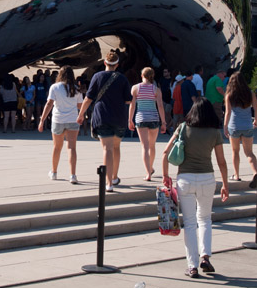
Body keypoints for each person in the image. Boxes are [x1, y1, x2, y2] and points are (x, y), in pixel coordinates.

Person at [161, 98, 228, 278]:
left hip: (185, 179)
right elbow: (221, 162)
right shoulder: (214, 133)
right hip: (207, 178)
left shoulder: (183, 128)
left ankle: (192, 265)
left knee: (190, 223)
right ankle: (205, 256)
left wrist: (165, 175)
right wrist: (225, 185)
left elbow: (165, 152)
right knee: (205, 219)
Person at [76, 49, 132, 192]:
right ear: (117, 64)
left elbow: (88, 98)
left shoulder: (97, 76)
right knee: (116, 147)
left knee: (107, 149)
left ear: (105, 62)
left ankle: (108, 183)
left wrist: (81, 114)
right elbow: (128, 100)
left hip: (102, 116)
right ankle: (114, 176)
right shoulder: (122, 78)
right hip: (119, 117)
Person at [38, 66, 83, 184]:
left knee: (57, 147)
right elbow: (80, 105)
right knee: (72, 148)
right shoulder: (76, 88)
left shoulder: (55, 87)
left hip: (58, 120)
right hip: (73, 119)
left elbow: (49, 104)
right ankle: (73, 175)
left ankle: (54, 172)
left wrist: (42, 120)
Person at [128, 67, 167, 181]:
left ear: (142, 76)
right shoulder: (156, 89)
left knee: (144, 146)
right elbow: (160, 106)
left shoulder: (135, 88)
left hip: (141, 118)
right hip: (154, 118)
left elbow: (132, 105)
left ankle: (148, 173)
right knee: (152, 145)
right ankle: (150, 167)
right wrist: (163, 122)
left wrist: (130, 119)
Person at [223, 73, 257, 187]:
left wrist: (225, 127)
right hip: (247, 126)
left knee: (235, 151)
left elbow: (228, 112)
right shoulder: (250, 94)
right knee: (249, 152)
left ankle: (236, 175)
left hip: (234, 126)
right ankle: (255, 173)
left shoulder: (229, 95)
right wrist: (256, 121)